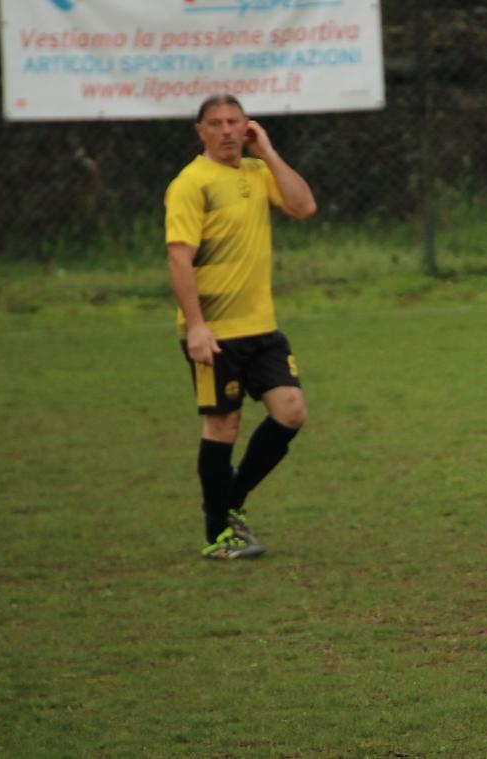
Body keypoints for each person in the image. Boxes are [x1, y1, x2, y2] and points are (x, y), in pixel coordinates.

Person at [165, 94, 317, 559]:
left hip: (261, 328)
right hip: (216, 331)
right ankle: (218, 535)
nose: (228, 130)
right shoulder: (191, 184)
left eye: (235, 121)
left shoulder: (256, 172)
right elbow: (179, 257)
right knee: (223, 426)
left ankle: (230, 502)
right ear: (201, 131)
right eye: (217, 123)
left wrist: (267, 152)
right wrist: (196, 327)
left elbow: (303, 206)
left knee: (290, 411)